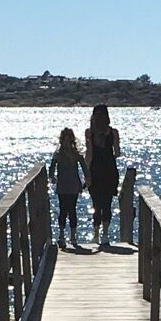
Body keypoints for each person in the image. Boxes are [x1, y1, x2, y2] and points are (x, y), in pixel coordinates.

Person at [85, 103, 122, 247]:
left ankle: (95, 235)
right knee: (107, 204)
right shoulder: (113, 133)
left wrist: (86, 173)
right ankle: (105, 235)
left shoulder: (89, 132)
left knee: (96, 203)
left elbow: (89, 155)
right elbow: (117, 153)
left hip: (95, 170)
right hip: (110, 170)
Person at [51, 127, 88, 250]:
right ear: (62, 140)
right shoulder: (58, 154)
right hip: (62, 185)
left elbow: (84, 168)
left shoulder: (76, 154)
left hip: (73, 185)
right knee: (62, 209)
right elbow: (51, 167)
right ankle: (61, 236)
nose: (67, 142)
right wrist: (52, 177)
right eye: (65, 139)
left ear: (72, 140)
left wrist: (87, 179)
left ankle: (73, 236)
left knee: (72, 209)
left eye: (69, 139)